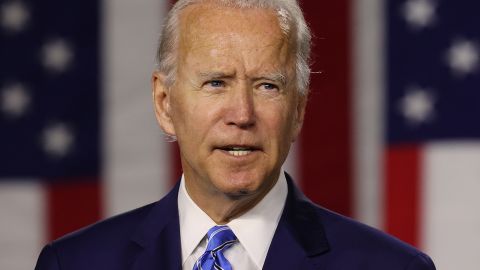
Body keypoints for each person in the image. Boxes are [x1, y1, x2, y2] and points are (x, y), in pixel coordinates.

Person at [35, 0, 436, 269]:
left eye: (267, 86)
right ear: (164, 103)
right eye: (215, 83)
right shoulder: (73, 263)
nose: (242, 114)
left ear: (298, 110)